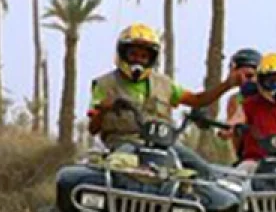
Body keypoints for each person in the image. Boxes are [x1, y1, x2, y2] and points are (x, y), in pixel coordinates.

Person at [86, 23, 243, 177]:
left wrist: (227, 84)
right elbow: (93, 128)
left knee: (202, 170)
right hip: (123, 142)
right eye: (133, 54)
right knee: (116, 167)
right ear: (123, 54)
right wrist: (103, 110)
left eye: (143, 56)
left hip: (164, 144)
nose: (138, 60)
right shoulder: (104, 84)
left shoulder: (164, 84)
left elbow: (197, 100)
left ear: (151, 59)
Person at [220, 48, 261, 154]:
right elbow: (232, 128)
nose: (243, 81)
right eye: (239, 77)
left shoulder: (271, 97)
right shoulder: (235, 100)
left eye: (249, 76)